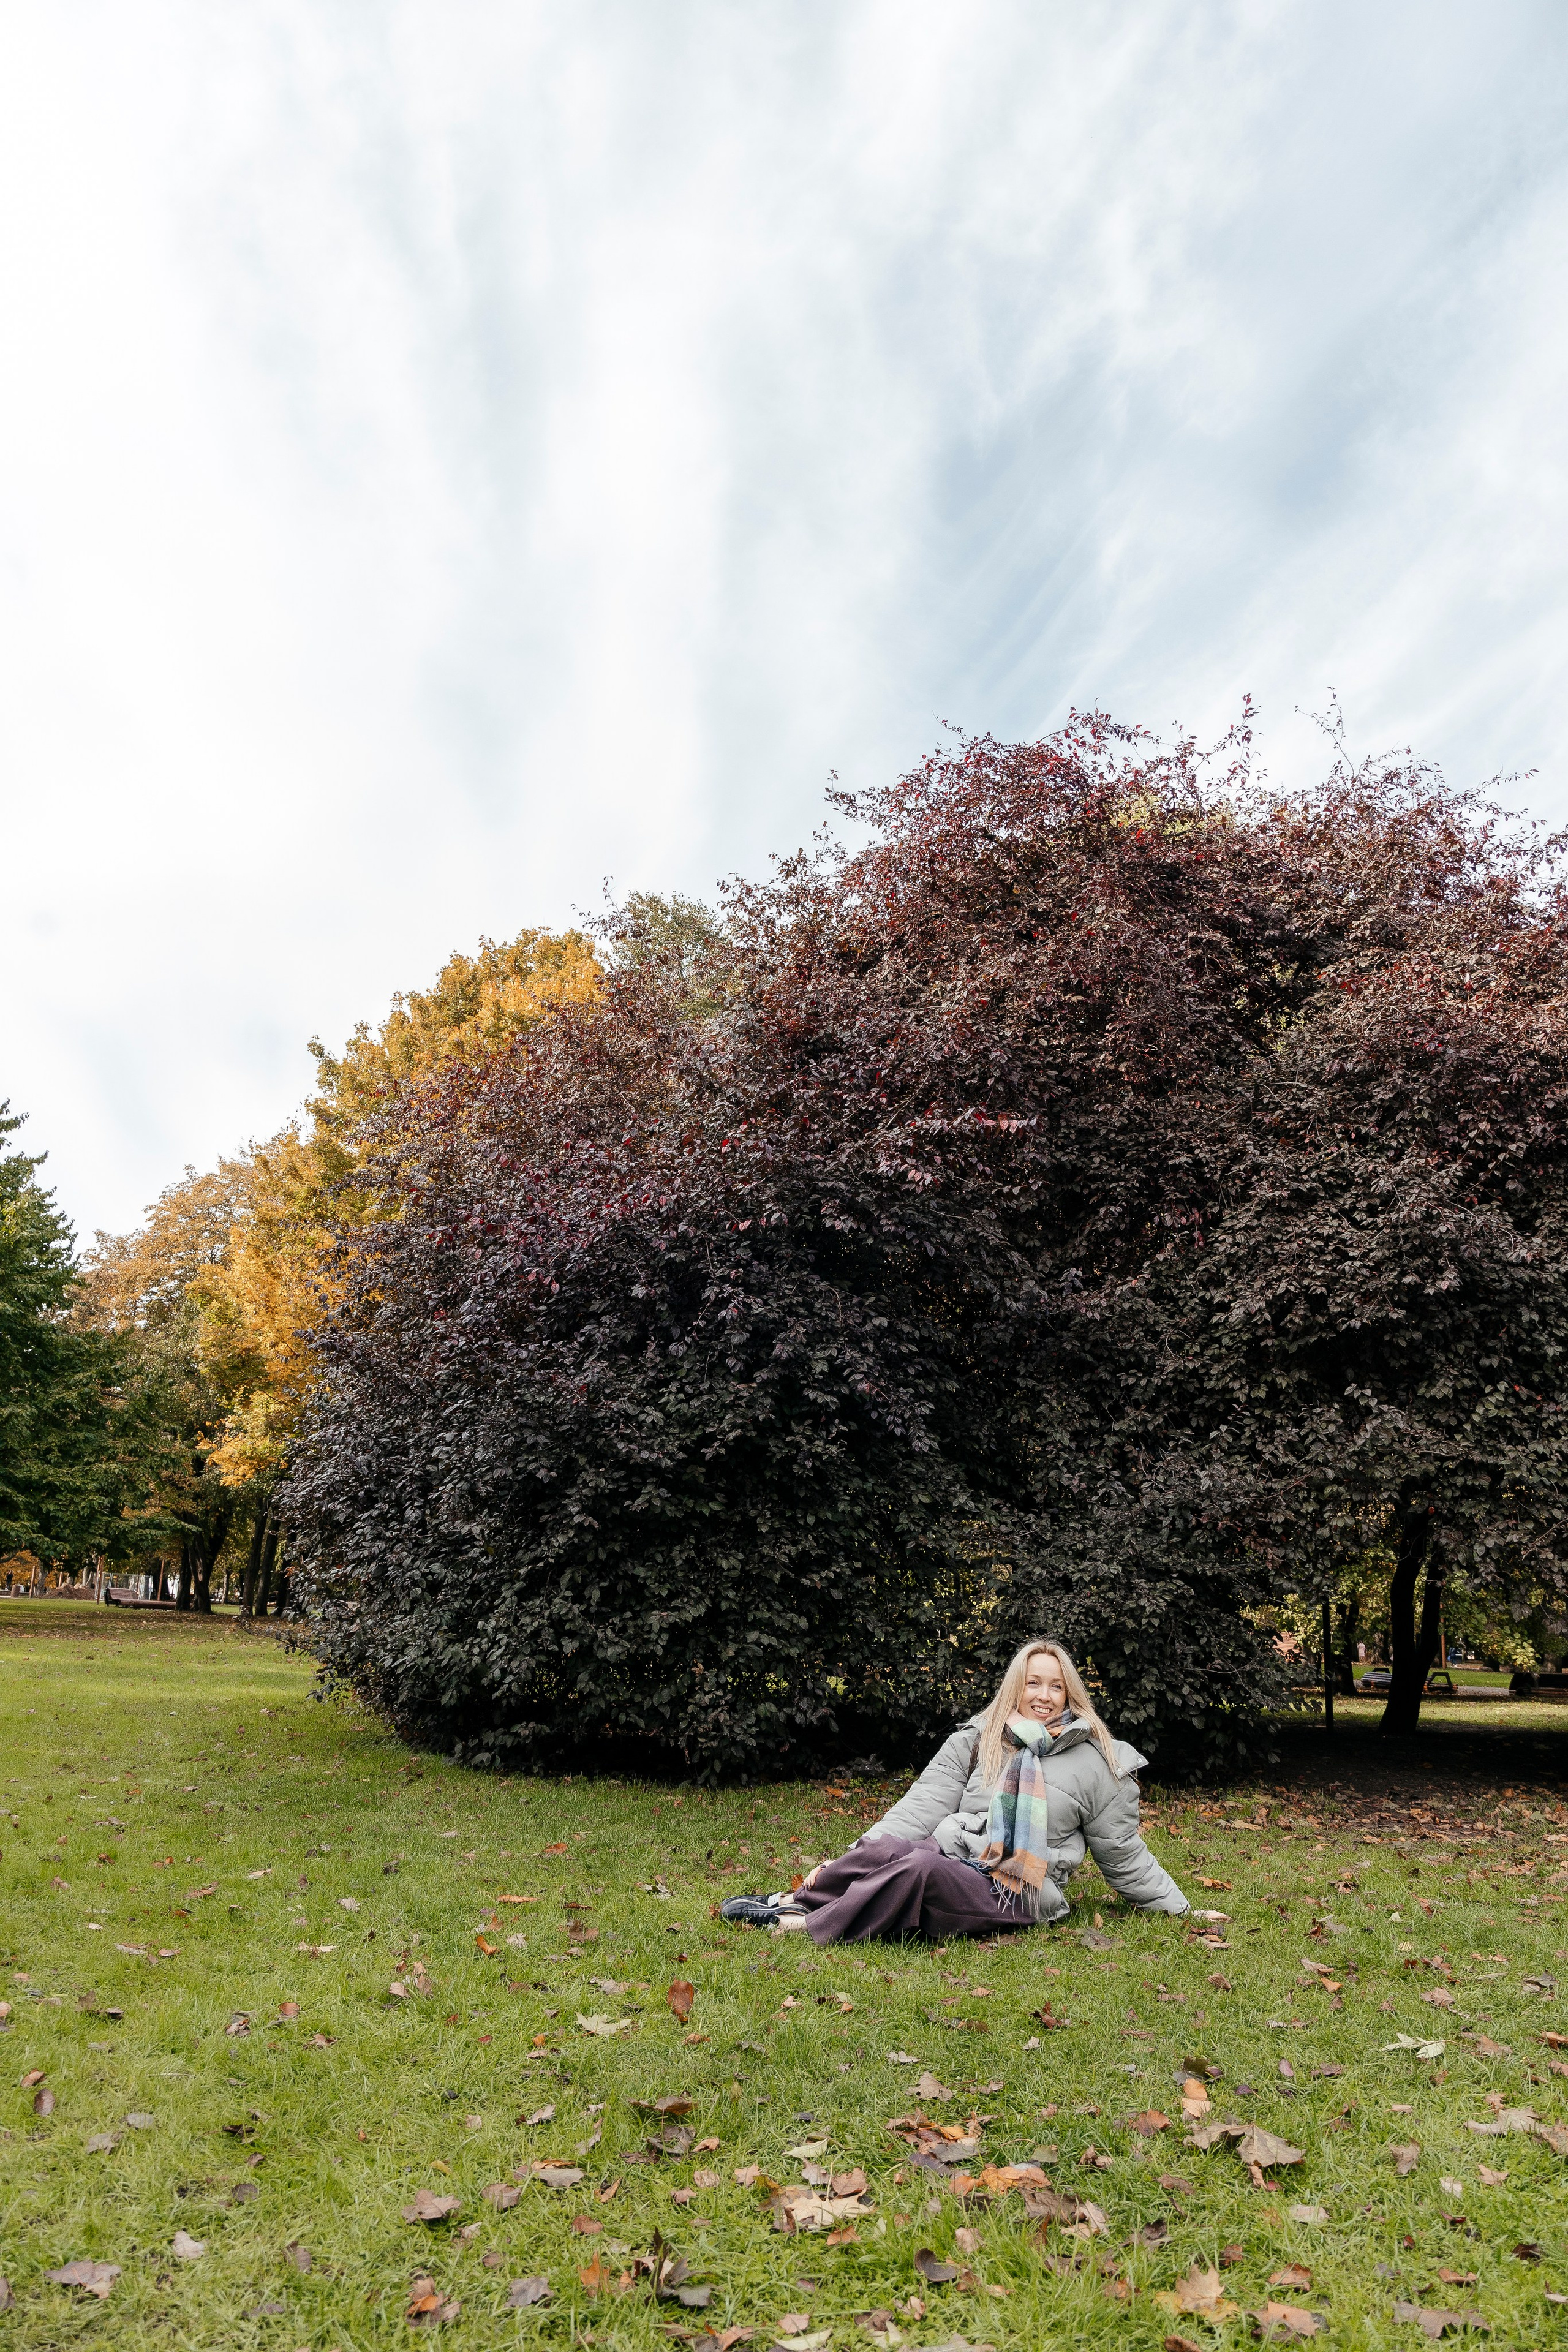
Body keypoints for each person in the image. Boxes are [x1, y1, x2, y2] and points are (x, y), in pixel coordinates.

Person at [720, 1639, 1188, 1944]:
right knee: (893, 1850)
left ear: (1070, 1695)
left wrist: (1183, 1910)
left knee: (920, 1867)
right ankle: (790, 1898)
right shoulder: (978, 1738)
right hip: (957, 1851)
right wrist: (856, 1852)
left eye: (1056, 1687)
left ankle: (799, 1924)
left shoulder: (1099, 1761)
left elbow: (1124, 1852)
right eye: (1033, 1683)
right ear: (1016, 1688)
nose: (1044, 1696)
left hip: (1019, 1889)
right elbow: (921, 1806)